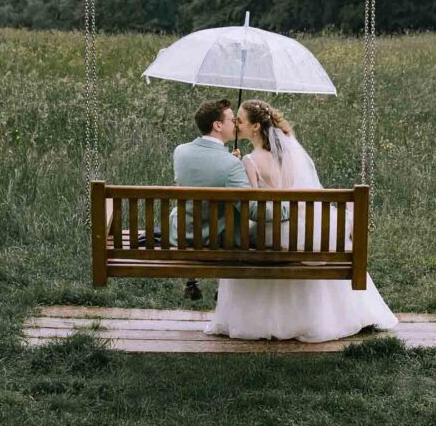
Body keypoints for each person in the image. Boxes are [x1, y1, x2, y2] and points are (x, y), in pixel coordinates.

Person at [204, 98, 398, 342]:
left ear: (255, 127)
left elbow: (252, 206)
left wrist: (237, 165)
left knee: (242, 237)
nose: (236, 124)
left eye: (239, 120)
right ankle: (331, 316)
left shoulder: (249, 161)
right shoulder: (290, 155)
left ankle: (256, 319)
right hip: (301, 228)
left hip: (274, 230)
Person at [170, 98, 255, 300]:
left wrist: (229, 161)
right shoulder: (231, 165)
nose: (235, 124)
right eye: (232, 120)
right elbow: (249, 207)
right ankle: (222, 287)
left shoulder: (180, 151)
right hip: (213, 237)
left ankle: (195, 282)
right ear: (217, 125)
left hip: (183, 231)